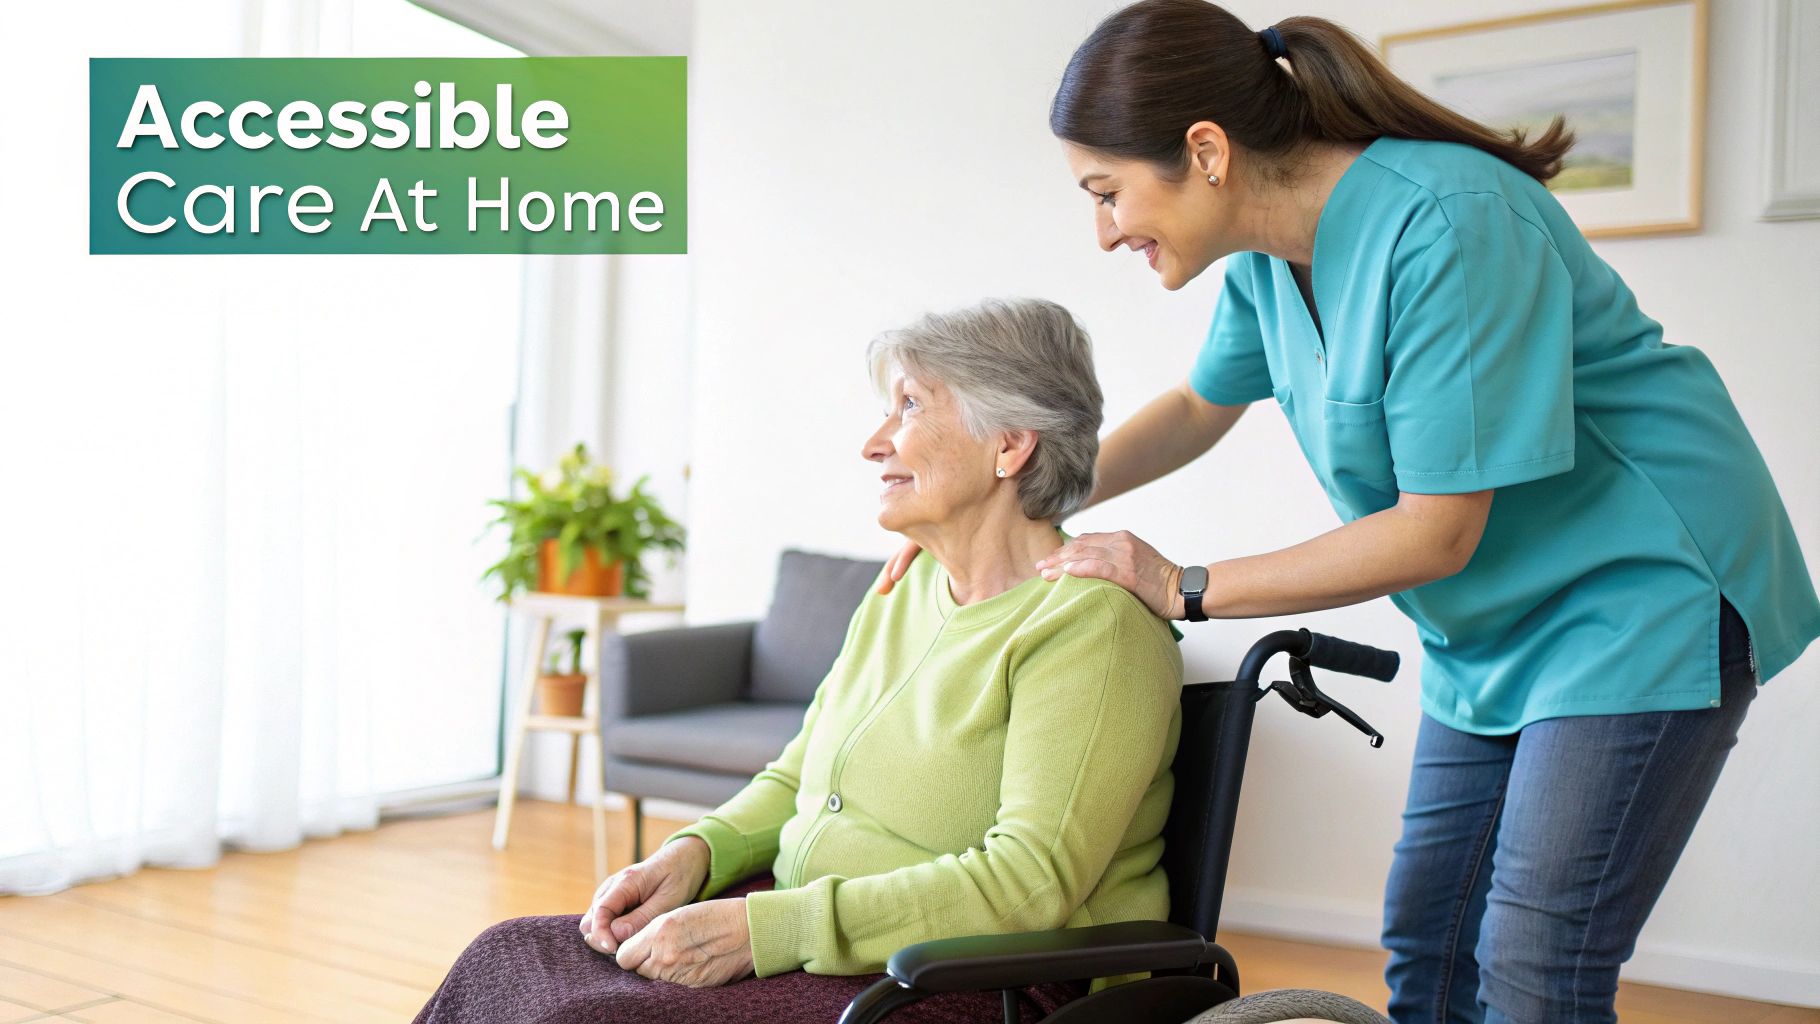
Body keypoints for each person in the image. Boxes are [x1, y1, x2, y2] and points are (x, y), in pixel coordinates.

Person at [876, 3, 1819, 1021]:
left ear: (1204, 151)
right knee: (1428, 940)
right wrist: (1006, 495)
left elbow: (1434, 529)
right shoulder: (1263, 259)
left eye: (1106, 193)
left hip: (1640, 589)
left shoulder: (1449, 225)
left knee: (1534, 956)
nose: (1102, 231)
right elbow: (1199, 406)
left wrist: (1179, 585)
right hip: (1487, 617)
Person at [412, 297, 1185, 1024]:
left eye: (911, 406)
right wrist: (694, 852)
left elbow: (1028, 886)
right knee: (503, 954)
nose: (875, 442)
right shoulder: (903, 588)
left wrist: (764, 930)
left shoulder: (1093, 626)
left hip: (974, 977)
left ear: (1010, 445)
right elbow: (796, 774)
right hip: (814, 926)